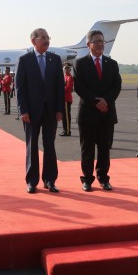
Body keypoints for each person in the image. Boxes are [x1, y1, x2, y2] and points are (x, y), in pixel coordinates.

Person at [15, 28, 65, 194]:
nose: (46, 40)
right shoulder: (25, 60)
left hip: (51, 111)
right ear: (33, 41)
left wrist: (60, 109)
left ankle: (50, 180)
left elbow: (60, 87)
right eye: (42, 37)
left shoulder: (55, 59)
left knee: (50, 145)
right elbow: (20, 88)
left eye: (48, 37)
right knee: (32, 145)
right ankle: (32, 181)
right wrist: (23, 110)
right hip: (31, 112)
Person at [74, 30, 122, 192]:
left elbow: (117, 86)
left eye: (102, 41)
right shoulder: (80, 63)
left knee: (104, 149)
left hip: (107, 113)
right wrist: (96, 101)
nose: (101, 44)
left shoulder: (112, 64)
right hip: (88, 113)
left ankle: (103, 178)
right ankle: (87, 179)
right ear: (89, 45)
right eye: (97, 41)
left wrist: (106, 101)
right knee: (87, 149)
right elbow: (80, 87)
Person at [60, 64, 74, 136]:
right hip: (63, 98)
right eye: (64, 68)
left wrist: (61, 88)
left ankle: (67, 131)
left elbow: (69, 88)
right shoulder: (64, 77)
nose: (65, 70)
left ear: (69, 70)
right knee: (64, 116)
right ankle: (65, 130)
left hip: (67, 99)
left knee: (67, 116)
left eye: (67, 68)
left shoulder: (70, 77)